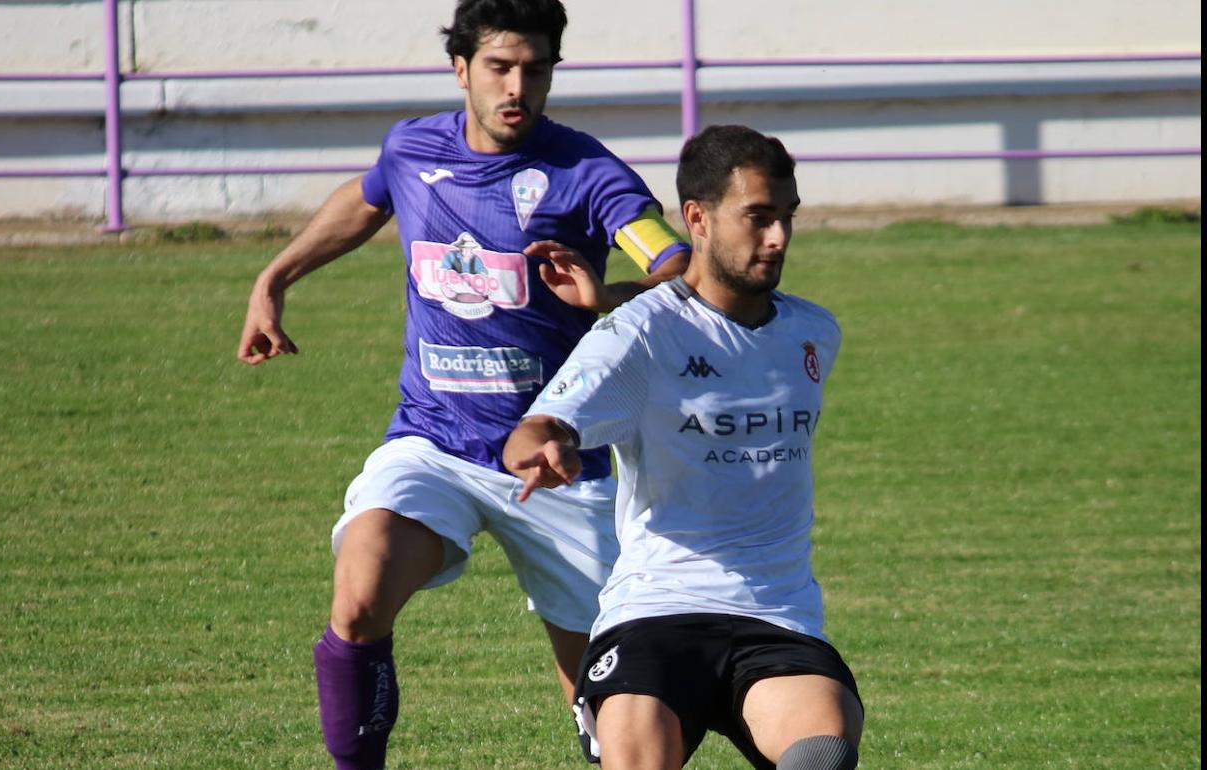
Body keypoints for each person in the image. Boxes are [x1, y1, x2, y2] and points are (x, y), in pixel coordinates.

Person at [235, 0, 689, 767]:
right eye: (499, 67)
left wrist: (605, 296)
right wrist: (275, 277)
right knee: (360, 591)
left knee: (617, 720)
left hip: (559, 461)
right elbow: (368, 195)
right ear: (461, 69)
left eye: (534, 70)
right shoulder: (413, 149)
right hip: (434, 443)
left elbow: (678, 267)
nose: (516, 87)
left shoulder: (588, 173)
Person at [503, 125, 864, 770]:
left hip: (776, 616)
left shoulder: (813, 332)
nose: (779, 237)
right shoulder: (638, 334)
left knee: (822, 757)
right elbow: (541, 427)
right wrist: (543, 448)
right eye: (758, 217)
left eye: (787, 216)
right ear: (697, 218)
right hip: (653, 612)